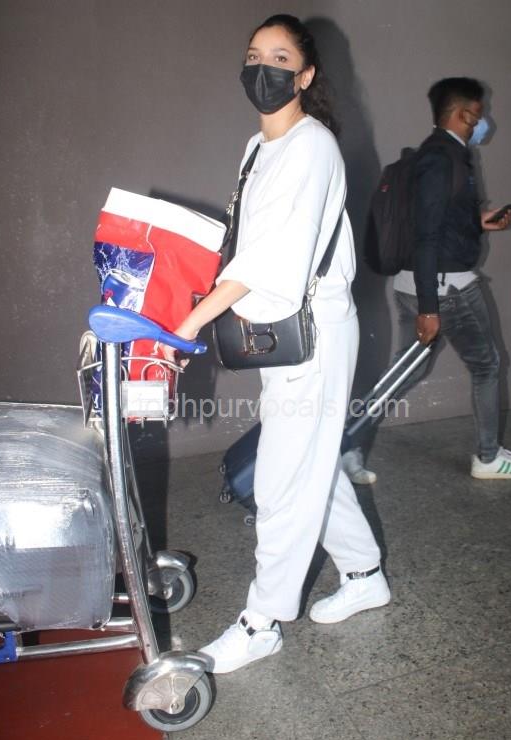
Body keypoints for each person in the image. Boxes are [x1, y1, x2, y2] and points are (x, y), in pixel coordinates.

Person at [163, 15, 390, 674]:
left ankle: (261, 623)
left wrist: (191, 322)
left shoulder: (312, 146)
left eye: (280, 58)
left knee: (281, 479)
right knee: (305, 462)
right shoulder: (257, 147)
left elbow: (272, 261)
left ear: (305, 75)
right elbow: (242, 241)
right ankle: (365, 573)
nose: (263, 68)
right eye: (254, 55)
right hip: (283, 335)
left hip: (313, 334)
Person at [359, 77, 511, 480]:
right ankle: (489, 458)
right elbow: (426, 236)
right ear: (463, 115)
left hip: (415, 283)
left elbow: (433, 219)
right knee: (487, 365)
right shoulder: (444, 159)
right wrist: (429, 308)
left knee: (406, 370)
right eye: (478, 115)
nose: (483, 123)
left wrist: (480, 221)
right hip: (445, 287)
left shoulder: (431, 154)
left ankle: (346, 448)